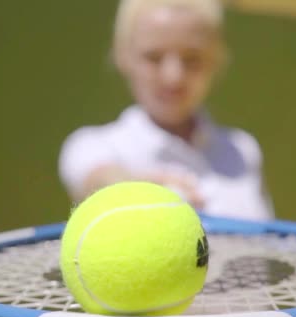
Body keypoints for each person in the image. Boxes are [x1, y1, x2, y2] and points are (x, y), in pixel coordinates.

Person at [58, 0, 274, 221]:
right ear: (123, 56)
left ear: (216, 59)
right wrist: (134, 191)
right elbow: (99, 180)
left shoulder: (243, 150)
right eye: (153, 57)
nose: (173, 77)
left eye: (192, 58)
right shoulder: (90, 144)